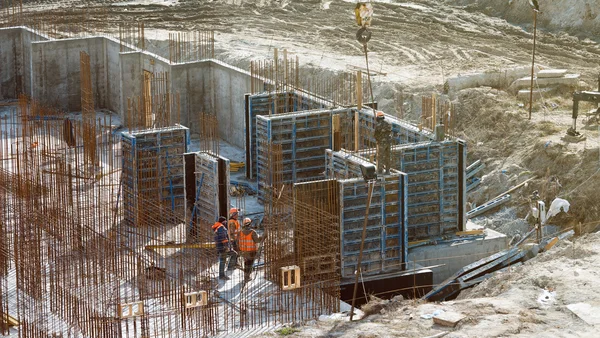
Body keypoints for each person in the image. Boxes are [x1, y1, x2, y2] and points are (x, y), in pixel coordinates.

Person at [212, 216, 237, 280]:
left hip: (220, 246)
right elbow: (223, 238)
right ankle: (222, 275)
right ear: (223, 221)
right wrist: (226, 246)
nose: (226, 222)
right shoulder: (221, 228)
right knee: (223, 261)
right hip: (223, 247)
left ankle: (229, 267)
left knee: (232, 255)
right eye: (225, 221)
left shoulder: (217, 227)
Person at [238, 218, 261, 282]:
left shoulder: (240, 232)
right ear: (250, 224)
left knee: (246, 263)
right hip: (251, 251)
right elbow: (257, 241)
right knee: (250, 264)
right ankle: (247, 276)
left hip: (243, 251)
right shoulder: (253, 232)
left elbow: (238, 241)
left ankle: (246, 276)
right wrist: (262, 237)